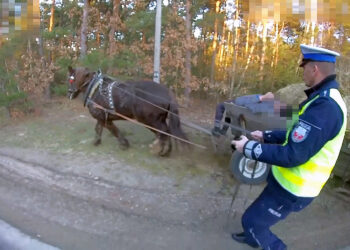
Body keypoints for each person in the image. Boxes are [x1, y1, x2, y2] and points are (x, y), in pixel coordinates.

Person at [231, 44, 347, 250]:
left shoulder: (325, 108)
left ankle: (255, 234)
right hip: (284, 180)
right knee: (257, 215)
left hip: (295, 189)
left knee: (252, 222)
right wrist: (266, 136)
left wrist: (248, 147)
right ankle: (252, 235)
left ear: (314, 69)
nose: (302, 72)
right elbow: (298, 134)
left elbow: (293, 154)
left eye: (304, 68)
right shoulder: (320, 99)